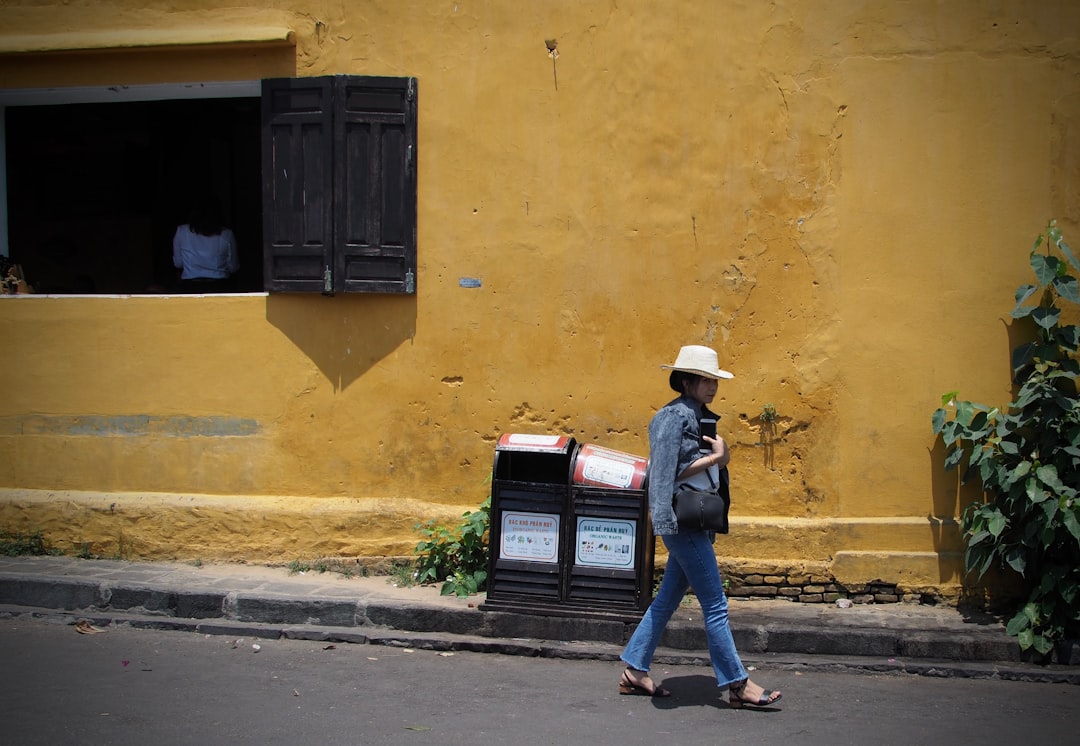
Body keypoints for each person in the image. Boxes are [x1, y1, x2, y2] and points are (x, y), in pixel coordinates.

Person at [618, 344, 782, 709]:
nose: (712, 386)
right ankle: (738, 683)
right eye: (705, 379)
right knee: (715, 603)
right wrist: (717, 457)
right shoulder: (672, 417)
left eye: (714, 380)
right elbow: (663, 473)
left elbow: (705, 470)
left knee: (666, 601)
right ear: (687, 380)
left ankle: (633, 670)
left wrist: (719, 460)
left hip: (696, 520)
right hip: (681, 523)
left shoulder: (700, 415)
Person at [172, 196, 239, 293]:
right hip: (219, 286)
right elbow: (233, 267)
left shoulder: (181, 231)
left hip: (190, 287)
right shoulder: (227, 234)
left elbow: (178, 264)